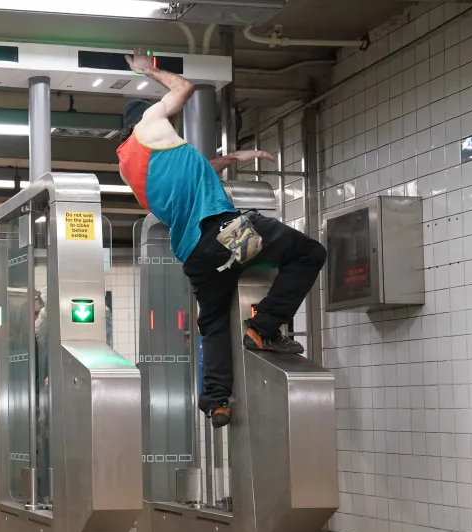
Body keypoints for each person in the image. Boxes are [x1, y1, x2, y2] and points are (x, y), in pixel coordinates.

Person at [116, 49, 326, 429]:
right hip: (226, 234)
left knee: (212, 325)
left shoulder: (132, 166)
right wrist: (151, 70)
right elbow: (185, 87)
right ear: (145, 119)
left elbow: (192, 171)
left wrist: (228, 160)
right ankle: (264, 327)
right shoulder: (149, 122)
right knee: (309, 253)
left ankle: (216, 401)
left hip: (195, 255)